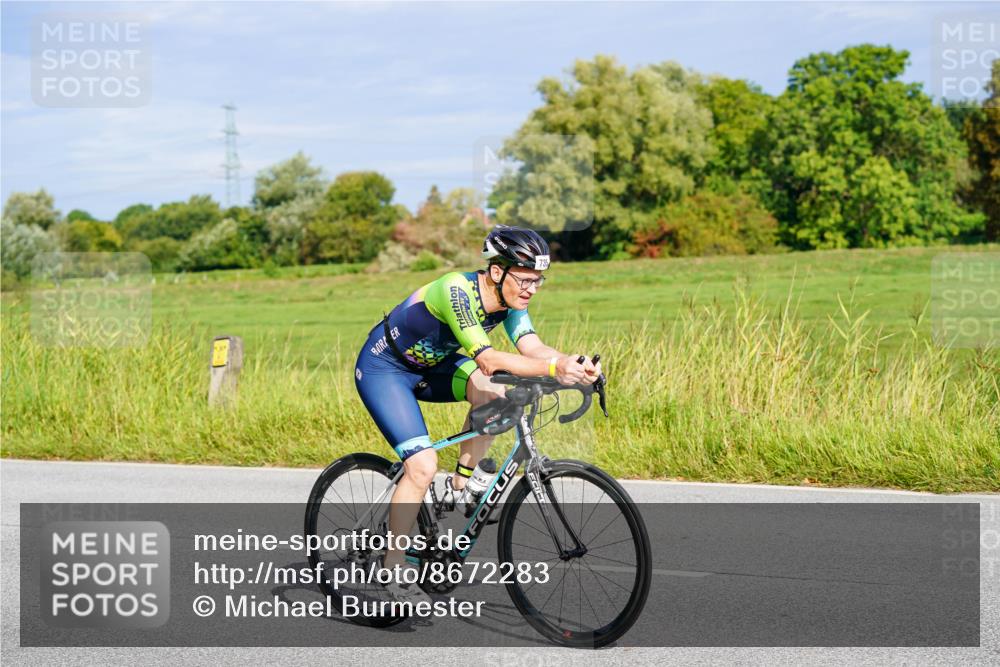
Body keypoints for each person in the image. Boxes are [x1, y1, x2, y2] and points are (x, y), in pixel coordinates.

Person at [353, 226, 602, 603]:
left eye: (538, 280)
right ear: (497, 271)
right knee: (421, 466)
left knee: (496, 395)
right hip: (385, 369)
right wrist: (555, 370)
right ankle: (393, 564)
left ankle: (461, 484)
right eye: (525, 279)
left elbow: (533, 348)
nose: (532, 289)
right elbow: (486, 359)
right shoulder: (456, 291)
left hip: (432, 367)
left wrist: (573, 363)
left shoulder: (510, 303)